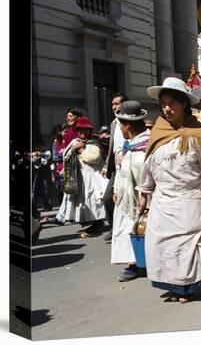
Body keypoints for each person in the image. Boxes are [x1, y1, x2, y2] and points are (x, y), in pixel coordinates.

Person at [137, 77, 201, 303]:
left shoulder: (198, 135)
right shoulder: (157, 133)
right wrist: (144, 192)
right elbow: (149, 166)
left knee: (186, 246)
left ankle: (188, 288)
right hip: (162, 202)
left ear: (184, 104)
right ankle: (172, 285)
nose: (167, 108)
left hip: (191, 200)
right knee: (161, 244)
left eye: (173, 103)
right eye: (164, 103)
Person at [110, 101, 150, 282]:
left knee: (141, 231)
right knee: (130, 231)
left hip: (141, 200)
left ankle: (141, 264)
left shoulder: (144, 146)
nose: (120, 130)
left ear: (128, 125)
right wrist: (117, 188)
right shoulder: (130, 145)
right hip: (127, 199)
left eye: (121, 126)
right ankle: (135, 263)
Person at [63, 117, 108, 237]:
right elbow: (65, 156)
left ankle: (98, 223)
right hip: (79, 176)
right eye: (80, 130)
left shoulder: (94, 143)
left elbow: (95, 158)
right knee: (83, 201)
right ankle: (90, 221)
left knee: (94, 200)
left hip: (94, 176)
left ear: (89, 130)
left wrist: (82, 150)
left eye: (85, 130)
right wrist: (73, 149)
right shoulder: (74, 142)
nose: (83, 132)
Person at [101, 93, 129, 241]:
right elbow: (112, 148)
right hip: (116, 169)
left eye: (117, 104)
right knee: (107, 198)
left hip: (130, 165)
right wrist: (107, 165)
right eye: (112, 104)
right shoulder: (113, 124)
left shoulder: (132, 121)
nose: (114, 107)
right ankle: (113, 228)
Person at [51, 123, 68, 207]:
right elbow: (55, 157)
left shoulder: (69, 141)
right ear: (60, 132)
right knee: (61, 192)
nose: (66, 133)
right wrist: (66, 155)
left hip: (69, 169)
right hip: (60, 171)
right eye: (65, 131)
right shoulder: (56, 143)